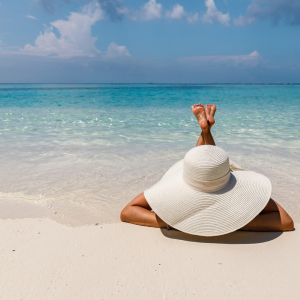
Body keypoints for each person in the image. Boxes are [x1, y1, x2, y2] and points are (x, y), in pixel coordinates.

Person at [120, 104, 294, 235]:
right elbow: (286, 222)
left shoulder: (184, 183)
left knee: (203, 163)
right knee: (208, 163)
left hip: (202, 182)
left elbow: (128, 212)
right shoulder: (228, 181)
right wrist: (238, 222)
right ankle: (206, 130)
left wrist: (171, 222)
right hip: (224, 182)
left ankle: (205, 130)